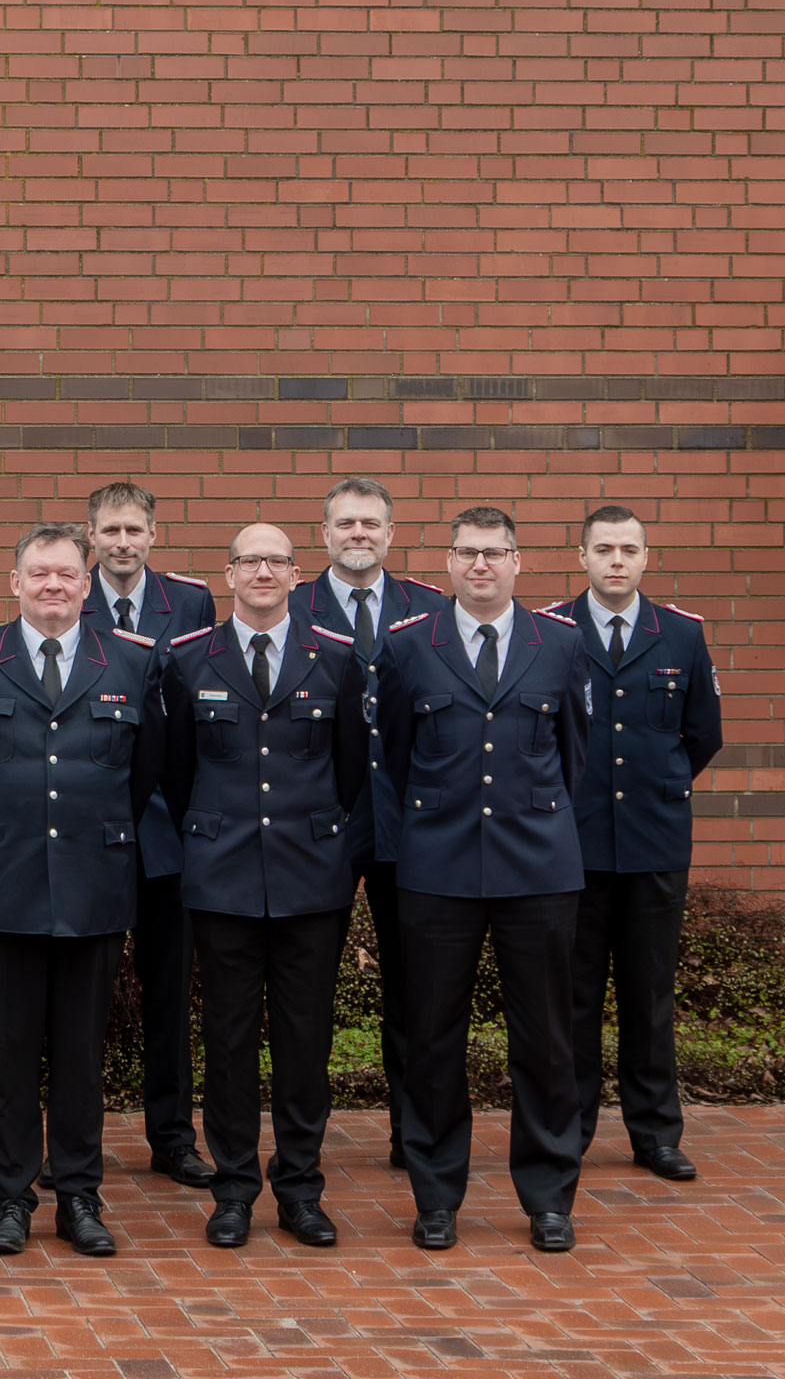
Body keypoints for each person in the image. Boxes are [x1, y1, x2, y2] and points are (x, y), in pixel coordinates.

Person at [0, 521, 163, 1258]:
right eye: (39, 573)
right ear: (15, 583)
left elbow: (149, 771)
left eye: (66, 574)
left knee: (80, 1054)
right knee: (8, 1053)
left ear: (86, 584)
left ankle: (80, 1197)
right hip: (2, 883)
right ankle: (11, 1199)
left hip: (94, 882)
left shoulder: (132, 660)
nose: (53, 585)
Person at [372, 507, 593, 1254]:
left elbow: (574, 755)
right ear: (448, 561)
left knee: (547, 1039)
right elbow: (396, 754)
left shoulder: (561, 643)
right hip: (438, 867)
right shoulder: (409, 645)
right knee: (433, 1039)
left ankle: (549, 1198)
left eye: (495, 553)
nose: (480, 566)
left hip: (539, 866)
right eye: (468, 553)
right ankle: (436, 1196)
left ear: (517, 562)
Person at [160, 523, 370, 1250]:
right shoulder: (189, 659)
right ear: (228, 573)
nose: (262, 573)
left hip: (310, 879)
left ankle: (301, 1189)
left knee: (305, 1042)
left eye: (276, 561)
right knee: (228, 1041)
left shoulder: (336, 657)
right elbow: (175, 772)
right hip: (221, 880)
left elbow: (350, 770)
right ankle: (234, 1191)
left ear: (295, 574)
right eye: (249, 560)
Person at [554, 504, 723, 1182]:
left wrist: (663, 784)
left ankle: (655, 1133)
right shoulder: (551, 631)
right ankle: (568, 1133)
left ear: (646, 557)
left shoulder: (681, 634)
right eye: (604, 549)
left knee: (649, 995)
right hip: (574, 844)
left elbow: (703, 733)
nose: (616, 560)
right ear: (582, 557)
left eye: (628, 549)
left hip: (654, 841)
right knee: (573, 998)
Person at [299, 476, 442, 1171]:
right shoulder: (292, 605)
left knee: (416, 991)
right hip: (323, 825)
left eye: (371, 523)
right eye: (346, 523)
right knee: (308, 992)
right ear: (324, 534)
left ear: (390, 533)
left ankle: (413, 1136)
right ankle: (304, 1146)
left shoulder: (432, 608)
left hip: (412, 823)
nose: (359, 533)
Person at [85, 480, 218, 1189]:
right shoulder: (65, 596)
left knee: (169, 994)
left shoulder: (190, 603)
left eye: (134, 530)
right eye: (110, 531)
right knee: (80, 998)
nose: (122, 543)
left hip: (168, 830)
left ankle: (172, 1138)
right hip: (91, 827)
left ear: (153, 534)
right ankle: (72, 1142)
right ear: (91, 536)